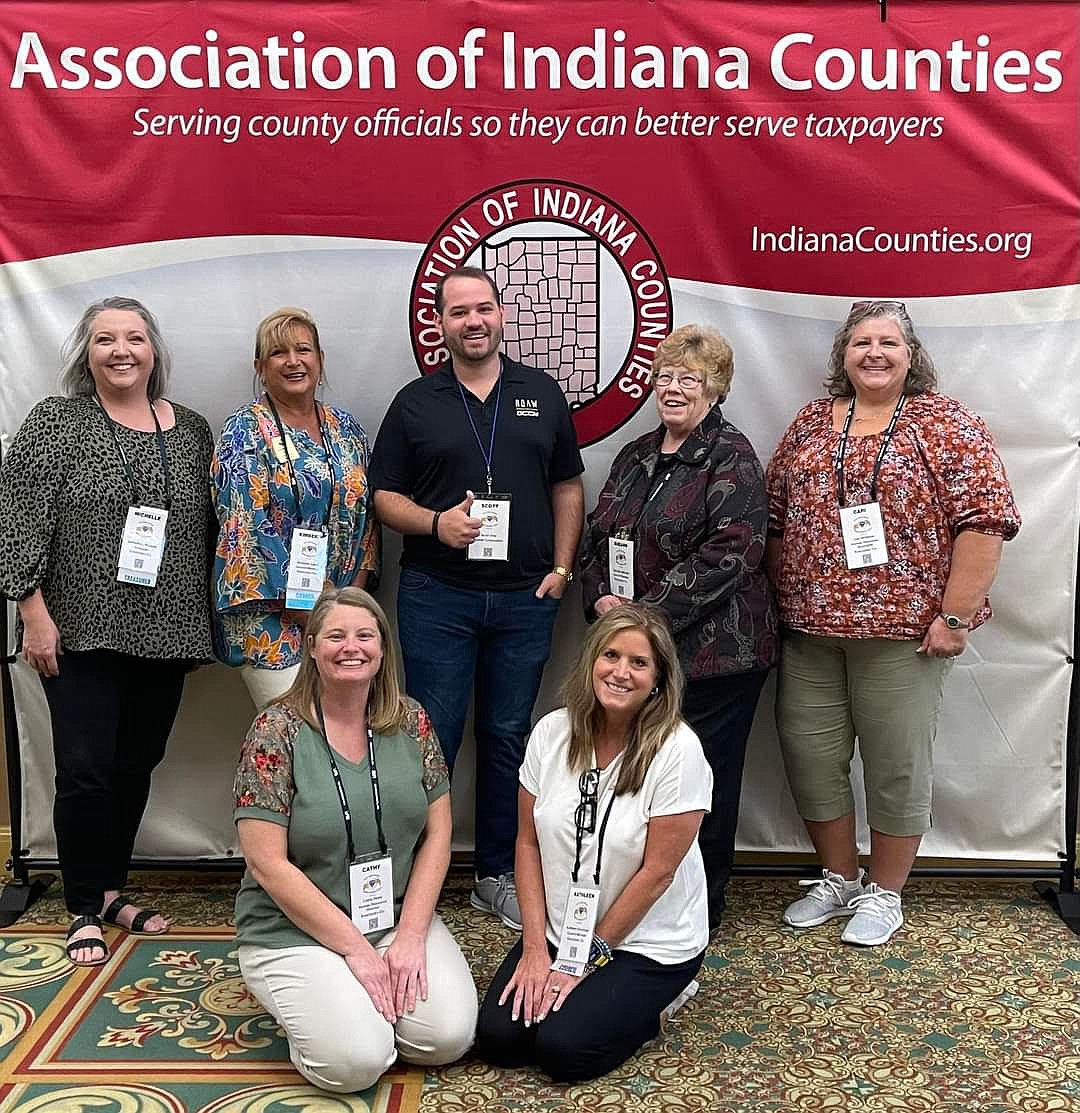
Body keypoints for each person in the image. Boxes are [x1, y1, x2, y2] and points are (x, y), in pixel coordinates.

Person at [765, 299, 1020, 946]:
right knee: (810, 755)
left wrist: (956, 614)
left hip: (907, 633)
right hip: (810, 628)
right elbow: (771, 515)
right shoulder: (807, 424)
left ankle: (885, 891)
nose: (874, 353)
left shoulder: (945, 422)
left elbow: (985, 520)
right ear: (841, 356)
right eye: (861, 343)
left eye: (888, 343)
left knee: (896, 763)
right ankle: (839, 876)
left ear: (913, 356)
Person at [0, 295, 215, 966]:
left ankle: (115, 887)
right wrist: (32, 612)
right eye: (104, 339)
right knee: (86, 772)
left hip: (168, 629)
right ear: (85, 353)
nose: (121, 350)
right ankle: (83, 905)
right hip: (79, 627)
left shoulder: (192, 430)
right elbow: (15, 518)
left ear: (155, 351)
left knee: (133, 764)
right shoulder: (57, 421)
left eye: (134, 337)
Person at [370, 265, 585, 931]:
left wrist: (562, 566)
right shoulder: (415, 402)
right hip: (439, 594)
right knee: (429, 734)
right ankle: (415, 873)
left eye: (483, 308)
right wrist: (436, 523)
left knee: (507, 736)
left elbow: (568, 487)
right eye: (459, 311)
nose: (473, 321)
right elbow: (381, 497)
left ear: (501, 314)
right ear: (439, 324)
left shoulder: (542, 393)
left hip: (526, 598)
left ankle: (496, 872)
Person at [233, 586, 476, 1093]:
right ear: (313, 647)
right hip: (294, 930)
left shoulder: (410, 720)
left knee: (446, 1039)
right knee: (356, 1064)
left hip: (393, 917)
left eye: (366, 635)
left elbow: (439, 833)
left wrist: (410, 936)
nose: (352, 647)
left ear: (383, 649)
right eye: (336, 635)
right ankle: (315, 1004)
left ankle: (362, 1005)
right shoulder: (275, 730)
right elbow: (267, 864)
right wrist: (358, 954)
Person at [580, 323, 777, 930]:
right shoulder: (637, 454)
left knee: (698, 786)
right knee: (643, 782)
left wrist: (642, 618)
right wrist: (601, 602)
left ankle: (699, 910)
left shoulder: (731, 455)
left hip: (715, 658)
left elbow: (732, 553)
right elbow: (596, 535)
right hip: (639, 658)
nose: (673, 388)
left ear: (714, 389)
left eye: (688, 380)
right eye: (665, 377)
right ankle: (637, 899)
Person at [474, 603, 711, 1082]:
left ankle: (660, 1005)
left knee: (565, 1050)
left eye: (639, 663)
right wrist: (537, 947)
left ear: (659, 678)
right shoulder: (551, 732)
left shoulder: (679, 751)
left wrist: (586, 959)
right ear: (591, 663)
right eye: (610, 656)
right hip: (563, 931)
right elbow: (527, 844)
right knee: (500, 1040)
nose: (621, 672)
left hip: (649, 942)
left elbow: (657, 873)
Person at [211, 307, 379, 710]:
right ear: (260, 367)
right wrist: (316, 614)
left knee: (342, 741)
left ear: (320, 360)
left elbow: (365, 519)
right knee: (296, 741)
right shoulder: (244, 430)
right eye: (278, 353)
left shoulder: (347, 427)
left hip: (343, 619)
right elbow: (245, 528)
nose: (293, 361)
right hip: (273, 621)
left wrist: (345, 608)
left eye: (303, 349)